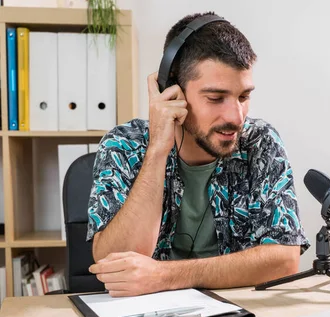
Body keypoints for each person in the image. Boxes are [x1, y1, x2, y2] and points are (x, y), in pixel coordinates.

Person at [86, 12, 309, 297]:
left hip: (235, 316)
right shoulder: (123, 145)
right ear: (172, 91)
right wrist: (157, 150)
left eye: (243, 96)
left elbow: (284, 259)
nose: (236, 116)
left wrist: (165, 276)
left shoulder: (260, 142)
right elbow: (113, 262)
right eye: (215, 98)